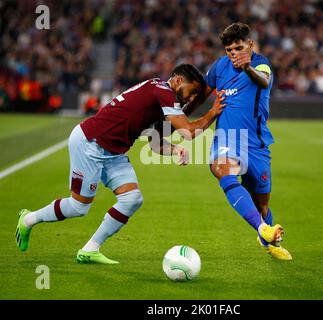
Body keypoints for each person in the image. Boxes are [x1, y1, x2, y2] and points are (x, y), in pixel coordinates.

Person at [15, 64, 225, 264]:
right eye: (193, 90)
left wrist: (175, 149)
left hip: (113, 151)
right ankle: (28, 219)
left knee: (131, 199)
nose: (193, 97)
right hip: (91, 142)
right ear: (178, 80)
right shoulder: (163, 92)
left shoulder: (162, 95)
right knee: (79, 207)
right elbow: (188, 132)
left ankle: (90, 250)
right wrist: (212, 112)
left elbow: (155, 143)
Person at [200, 23, 292, 260]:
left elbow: (263, 80)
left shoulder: (260, 63)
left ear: (250, 44)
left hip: (257, 144)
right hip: (229, 137)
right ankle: (263, 229)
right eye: (229, 49)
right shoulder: (219, 67)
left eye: (238, 47)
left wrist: (248, 67)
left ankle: (269, 241)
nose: (233, 53)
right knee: (222, 168)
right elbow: (201, 93)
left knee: (262, 206)